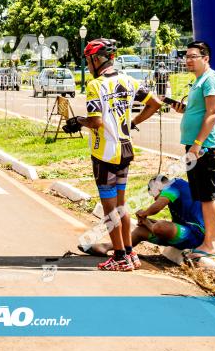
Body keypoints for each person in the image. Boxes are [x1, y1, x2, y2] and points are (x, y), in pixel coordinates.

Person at [64, 38, 163, 271]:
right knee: (121, 206)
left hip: (105, 154)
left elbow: (96, 121)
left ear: (97, 59)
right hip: (125, 149)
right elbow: (156, 103)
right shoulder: (129, 81)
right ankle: (130, 254)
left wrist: (78, 121)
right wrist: (133, 122)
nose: (88, 65)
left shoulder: (95, 85)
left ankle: (119, 257)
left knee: (110, 210)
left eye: (88, 60)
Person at [168, 40, 215, 260]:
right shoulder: (199, 81)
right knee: (204, 196)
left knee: (208, 196)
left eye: (193, 56)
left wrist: (198, 143)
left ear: (206, 58)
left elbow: (212, 113)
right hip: (197, 145)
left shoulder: (211, 80)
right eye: (187, 56)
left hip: (205, 146)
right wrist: (184, 110)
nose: (188, 60)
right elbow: (200, 111)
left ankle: (210, 243)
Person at [134, 175, 205, 254]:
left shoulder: (174, 184)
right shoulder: (173, 193)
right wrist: (147, 221)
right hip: (181, 238)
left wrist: (143, 214)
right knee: (139, 231)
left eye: (153, 193)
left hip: (196, 236)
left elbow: (158, 206)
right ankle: (122, 253)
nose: (154, 198)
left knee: (160, 226)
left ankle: (148, 224)